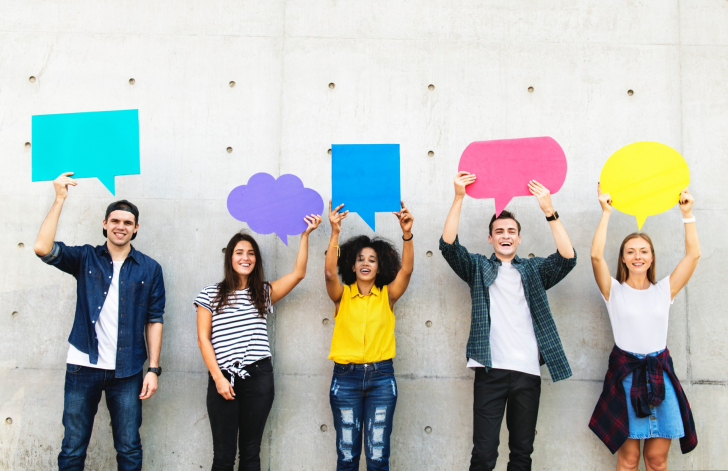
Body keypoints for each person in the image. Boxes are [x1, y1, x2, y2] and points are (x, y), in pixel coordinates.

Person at [439, 171, 577, 471]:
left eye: (511, 231)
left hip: (527, 372)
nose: (505, 235)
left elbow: (568, 258)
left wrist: (549, 211)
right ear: (490, 238)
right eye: (499, 231)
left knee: (521, 454)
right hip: (491, 370)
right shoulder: (477, 267)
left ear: (518, 237)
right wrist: (459, 197)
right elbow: (448, 247)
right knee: (484, 455)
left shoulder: (532, 270)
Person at [34, 172, 166, 471]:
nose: (121, 227)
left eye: (128, 223)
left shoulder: (149, 268)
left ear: (136, 229)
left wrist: (154, 369)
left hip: (128, 371)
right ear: (105, 223)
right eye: (115, 221)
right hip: (83, 366)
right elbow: (42, 248)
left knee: (129, 448)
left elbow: (154, 320)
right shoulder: (85, 258)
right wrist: (59, 198)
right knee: (72, 447)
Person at [195, 216, 321, 471]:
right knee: (223, 455)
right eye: (239, 252)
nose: (245, 257)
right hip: (223, 377)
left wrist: (305, 235)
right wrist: (218, 378)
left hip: (259, 376)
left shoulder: (263, 292)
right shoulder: (210, 294)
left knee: (251, 453)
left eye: (251, 253)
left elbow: (298, 274)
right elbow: (203, 339)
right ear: (230, 257)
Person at [589, 184, 699, 470]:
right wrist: (606, 212)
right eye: (631, 251)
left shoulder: (664, 290)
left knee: (656, 460)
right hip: (625, 377)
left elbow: (693, 256)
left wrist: (687, 214)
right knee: (628, 460)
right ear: (623, 258)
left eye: (644, 251)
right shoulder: (613, 290)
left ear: (651, 257)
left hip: (660, 375)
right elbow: (596, 257)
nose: (638, 256)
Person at [324, 200, 414, 471]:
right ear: (351, 266)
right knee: (347, 456)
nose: (365, 263)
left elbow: (407, 271)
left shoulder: (388, 295)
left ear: (380, 267)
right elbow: (329, 272)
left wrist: (407, 234)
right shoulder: (342, 296)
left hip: (381, 379)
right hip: (346, 379)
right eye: (360, 259)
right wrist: (335, 232)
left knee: (377, 457)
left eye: (372, 260)